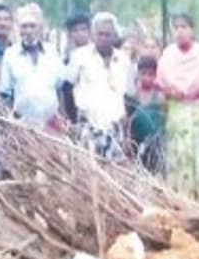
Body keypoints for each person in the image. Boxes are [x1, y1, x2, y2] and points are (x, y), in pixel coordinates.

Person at [157, 13, 199, 206]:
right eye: (176, 28)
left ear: (192, 30)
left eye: (184, 27)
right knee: (179, 157)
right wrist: (172, 91)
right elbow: (162, 82)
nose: (180, 31)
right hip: (177, 113)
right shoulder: (168, 54)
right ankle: (181, 203)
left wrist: (197, 91)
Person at [68, 12, 133, 158]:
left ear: (114, 36)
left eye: (108, 35)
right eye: (100, 34)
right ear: (93, 35)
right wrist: (72, 122)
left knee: (113, 173)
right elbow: (67, 89)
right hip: (88, 127)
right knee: (87, 173)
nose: (103, 38)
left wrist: (126, 130)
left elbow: (128, 97)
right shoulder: (79, 57)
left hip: (115, 128)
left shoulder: (123, 60)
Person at [0, 3, 65, 130]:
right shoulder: (11, 54)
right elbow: (5, 94)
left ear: (40, 28)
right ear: (19, 29)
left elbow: (60, 89)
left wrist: (62, 118)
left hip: (51, 124)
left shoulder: (52, 52)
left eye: (32, 26)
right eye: (24, 26)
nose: (28, 31)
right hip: (22, 125)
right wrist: (10, 122)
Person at [129, 54, 166, 174]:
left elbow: (164, 119)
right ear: (138, 74)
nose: (147, 78)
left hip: (156, 143)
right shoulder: (132, 96)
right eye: (143, 74)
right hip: (137, 142)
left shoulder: (160, 97)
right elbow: (128, 121)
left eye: (150, 75)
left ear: (155, 75)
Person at [60, 12, 93, 122]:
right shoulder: (66, 58)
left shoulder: (96, 56)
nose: (80, 34)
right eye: (75, 30)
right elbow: (66, 89)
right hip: (76, 114)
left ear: (90, 31)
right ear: (70, 34)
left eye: (83, 29)